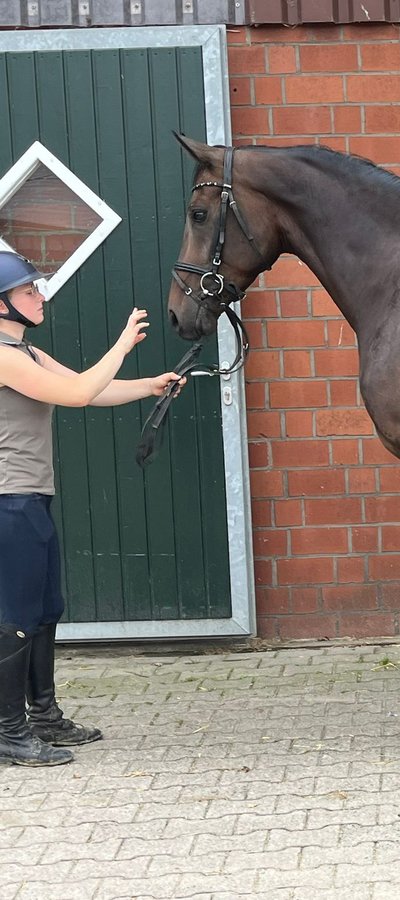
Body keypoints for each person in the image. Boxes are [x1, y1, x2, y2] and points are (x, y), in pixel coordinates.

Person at [0, 250, 185, 767]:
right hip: (8, 502)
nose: (39, 296)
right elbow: (80, 393)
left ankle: (43, 717)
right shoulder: (3, 357)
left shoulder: (27, 354)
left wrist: (149, 386)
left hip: (28, 499)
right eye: (28, 291)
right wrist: (124, 343)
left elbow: (89, 385)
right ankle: (9, 730)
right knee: (16, 617)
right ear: (0, 305)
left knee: (44, 611)